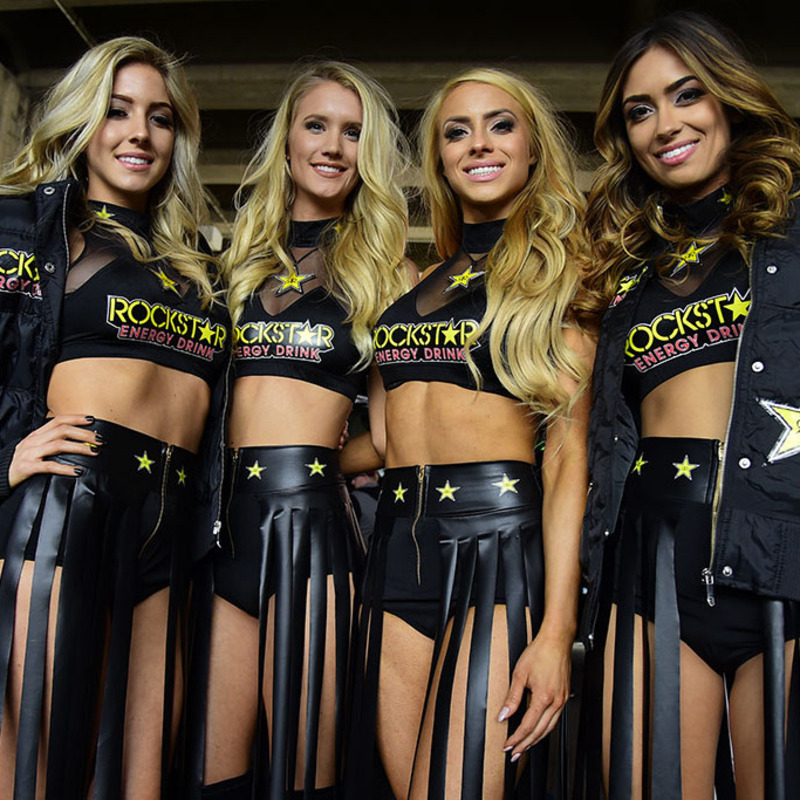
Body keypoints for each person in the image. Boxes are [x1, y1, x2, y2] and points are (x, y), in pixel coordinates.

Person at [344, 67, 597, 800]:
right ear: (440, 158)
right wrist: (297, 460)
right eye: (457, 131)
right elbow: (388, 439)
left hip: (496, 554)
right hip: (398, 549)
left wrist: (556, 633)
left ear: (532, 148)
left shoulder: (562, 275)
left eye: (500, 125)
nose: (478, 143)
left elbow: (568, 460)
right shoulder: (419, 284)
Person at [0, 36, 229, 799]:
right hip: (68, 508)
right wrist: (2, 459)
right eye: (116, 110)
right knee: (36, 771)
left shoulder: (196, 263)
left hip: (169, 523)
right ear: (82, 120)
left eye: (159, 117)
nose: (140, 133)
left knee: (138, 780)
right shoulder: (26, 228)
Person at [579, 11, 800, 800]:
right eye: (640, 110)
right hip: (651, 558)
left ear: (728, 98)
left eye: (686, 95)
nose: (665, 125)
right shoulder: (623, 265)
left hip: (781, 552)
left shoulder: (793, 227)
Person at [187, 61, 410, 800]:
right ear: (286, 140)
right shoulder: (230, 266)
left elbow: (394, 437)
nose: (333, 146)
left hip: (315, 537)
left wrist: (313, 459)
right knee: (212, 777)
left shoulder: (389, 274)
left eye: (353, 133)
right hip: (219, 535)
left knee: (302, 776)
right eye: (317, 125)